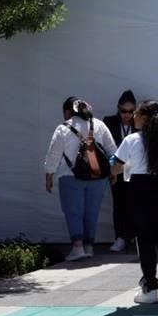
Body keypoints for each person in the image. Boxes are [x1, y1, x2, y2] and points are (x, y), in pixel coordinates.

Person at [111, 100, 158, 304]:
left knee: (144, 240)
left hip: (139, 189)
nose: (133, 116)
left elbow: (116, 166)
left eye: (136, 113)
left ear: (144, 117)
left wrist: (115, 172)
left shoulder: (132, 139)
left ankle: (150, 288)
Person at [43, 97, 117, 261]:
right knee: (92, 212)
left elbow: (54, 154)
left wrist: (49, 174)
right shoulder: (99, 124)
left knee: (74, 212)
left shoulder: (63, 128)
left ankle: (77, 247)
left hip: (70, 177)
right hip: (99, 178)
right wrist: (112, 172)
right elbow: (113, 150)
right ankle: (89, 247)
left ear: (67, 111)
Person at [104, 90, 137, 253]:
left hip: (136, 170)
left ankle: (131, 236)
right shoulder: (109, 122)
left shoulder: (139, 124)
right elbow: (104, 148)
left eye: (131, 111)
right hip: (117, 170)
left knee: (134, 204)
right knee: (119, 203)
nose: (127, 115)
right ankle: (120, 237)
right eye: (124, 111)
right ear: (118, 109)